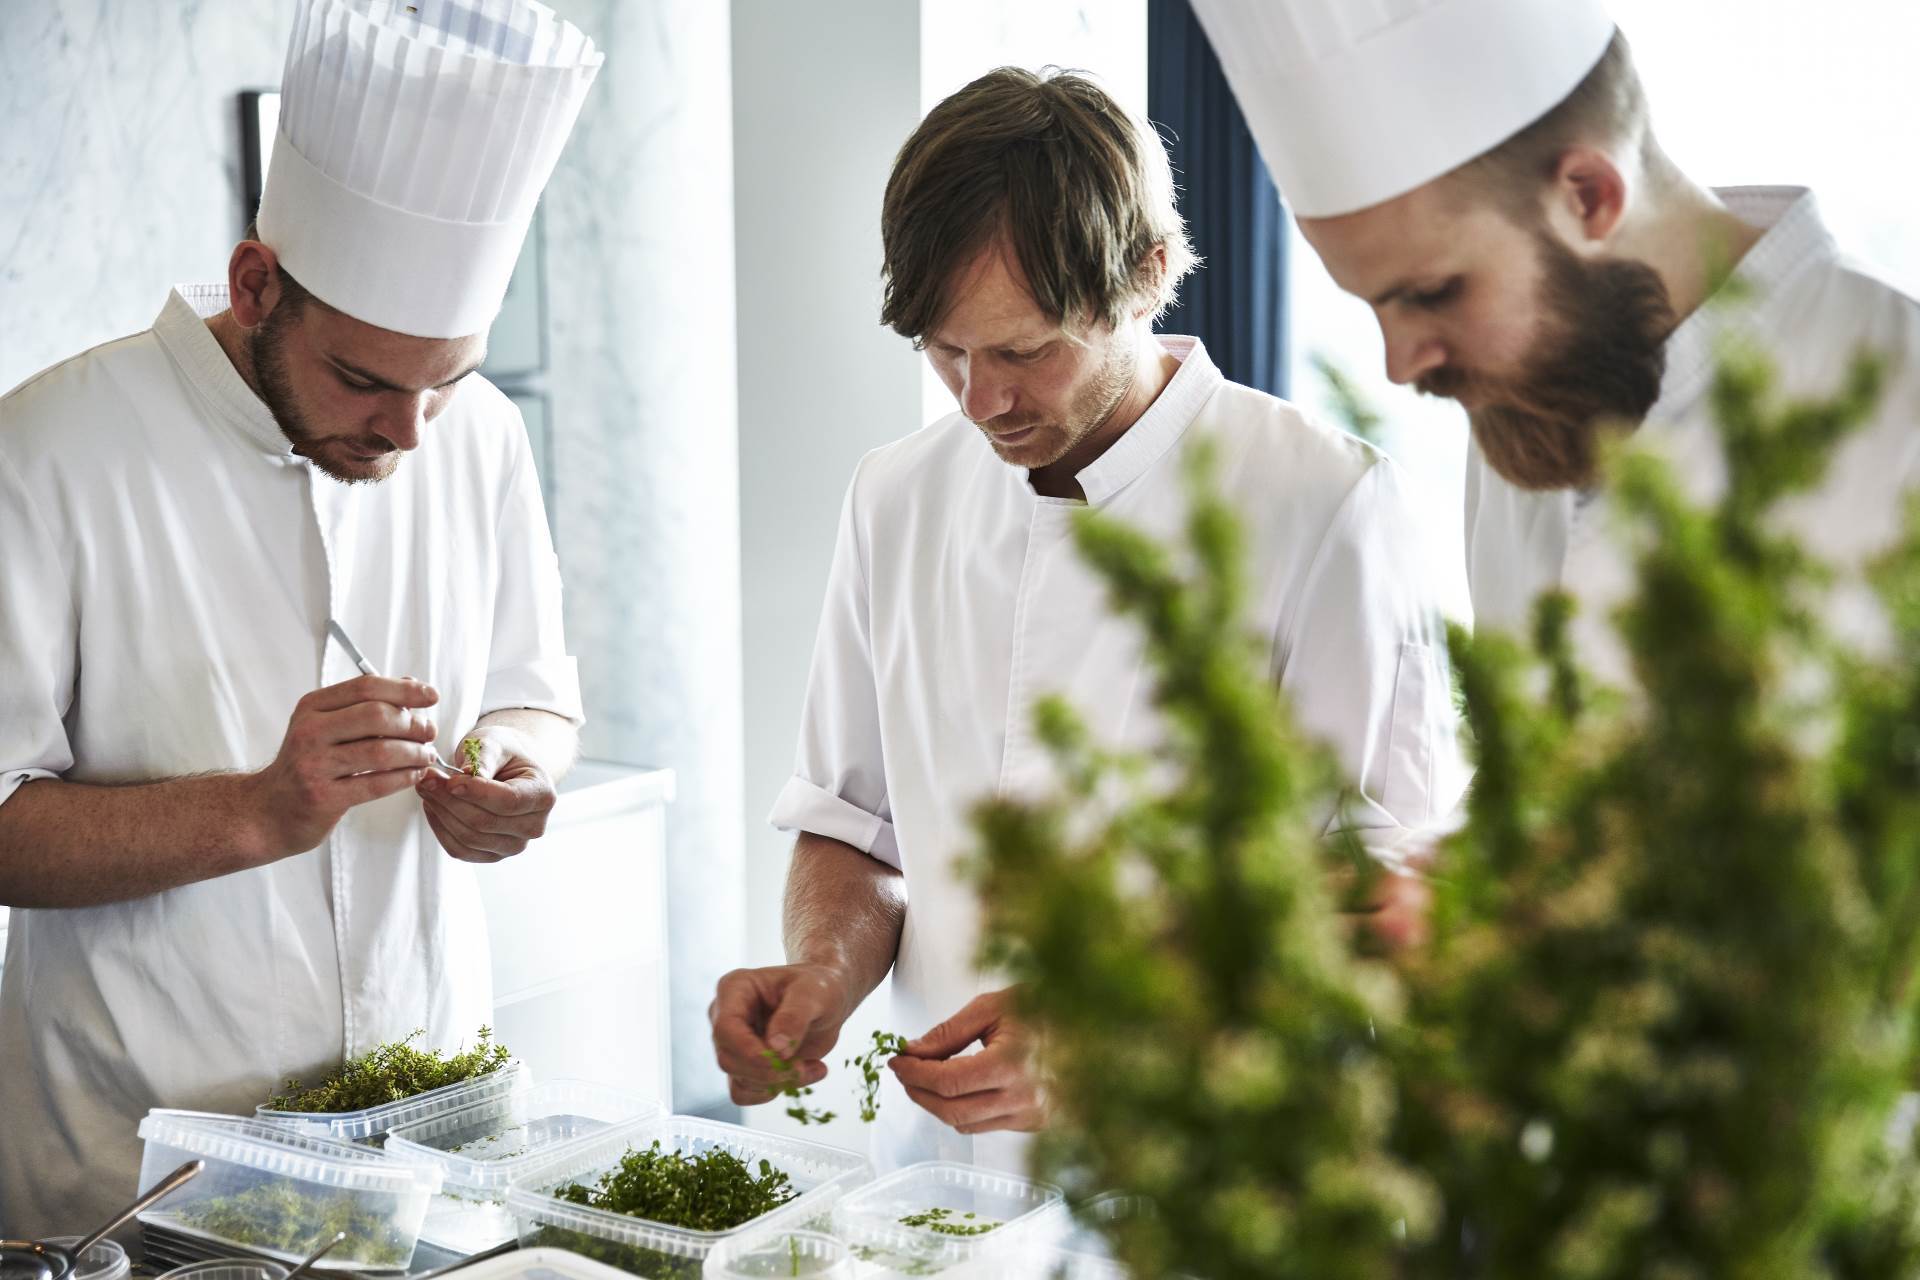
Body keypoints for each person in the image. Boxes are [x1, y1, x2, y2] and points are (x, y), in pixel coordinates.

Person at [709, 67, 1467, 1173]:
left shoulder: (1323, 502)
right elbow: (853, 820)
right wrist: (824, 967)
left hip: (1208, 1179)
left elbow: (1377, 895)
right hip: (935, 1180)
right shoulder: (895, 494)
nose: (982, 400)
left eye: (1025, 350)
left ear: (1149, 273)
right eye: (945, 350)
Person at [0, 0, 602, 1232]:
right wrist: (260, 807)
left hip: (427, 1143)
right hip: (131, 1178)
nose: (408, 433)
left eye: (447, 379)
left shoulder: (477, 434)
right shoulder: (47, 450)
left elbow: (534, 693)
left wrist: (517, 768)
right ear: (256, 284)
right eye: (365, 378)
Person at [1192, 0, 1920, 677]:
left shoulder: (1902, 403)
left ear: (1589, 196)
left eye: (1435, 293)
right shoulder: (1524, 405)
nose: (1400, 365)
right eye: (1372, 305)